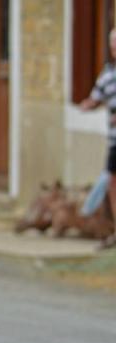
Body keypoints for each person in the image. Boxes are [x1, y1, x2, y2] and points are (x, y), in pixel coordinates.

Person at [81, 27, 116, 248]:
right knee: (112, 182)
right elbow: (95, 98)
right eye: (113, 45)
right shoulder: (107, 75)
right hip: (115, 140)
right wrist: (86, 105)